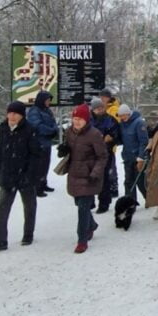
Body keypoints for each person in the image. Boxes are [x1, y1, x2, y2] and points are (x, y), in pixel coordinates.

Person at [0, 101, 41, 253]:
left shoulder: (29, 130)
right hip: (7, 175)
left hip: (25, 175)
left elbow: (36, 155)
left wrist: (29, 175)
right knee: (2, 208)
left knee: (29, 205)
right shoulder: (3, 128)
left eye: (16, 113)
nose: (12, 116)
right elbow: (0, 152)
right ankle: (0, 239)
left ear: (22, 115)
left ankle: (28, 233)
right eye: (10, 113)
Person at [62, 103, 107, 254]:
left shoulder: (94, 134)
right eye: (75, 118)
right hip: (74, 174)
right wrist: (63, 150)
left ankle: (82, 240)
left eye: (80, 119)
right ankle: (92, 224)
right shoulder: (69, 132)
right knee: (79, 203)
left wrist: (95, 173)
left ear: (86, 120)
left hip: (89, 176)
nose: (77, 121)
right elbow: (68, 150)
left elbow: (102, 156)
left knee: (82, 208)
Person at [89, 97, 119, 214]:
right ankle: (90, 201)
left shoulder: (110, 120)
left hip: (105, 152)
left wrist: (111, 138)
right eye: (97, 108)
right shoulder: (88, 120)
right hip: (90, 153)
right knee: (90, 177)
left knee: (104, 178)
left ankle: (104, 203)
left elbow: (116, 134)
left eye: (101, 107)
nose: (100, 110)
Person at [25, 90, 58, 196]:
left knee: (45, 165)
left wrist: (54, 130)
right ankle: (37, 187)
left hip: (47, 142)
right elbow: (37, 126)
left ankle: (43, 183)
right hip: (38, 142)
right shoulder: (34, 111)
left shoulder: (47, 111)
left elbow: (53, 122)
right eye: (47, 100)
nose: (49, 102)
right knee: (39, 166)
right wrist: (50, 131)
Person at [117, 103, 148, 202]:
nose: (122, 118)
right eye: (120, 116)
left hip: (137, 157)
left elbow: (143, 142)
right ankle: (130, 202)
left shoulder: (139, 123)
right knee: (128, 182)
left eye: (123, 115)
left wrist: (141, 158)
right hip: (127, 157)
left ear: (128, 114)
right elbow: (121, 139)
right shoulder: (122, 124)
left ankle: (149, 197)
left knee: (140, 182)